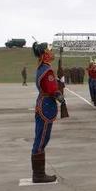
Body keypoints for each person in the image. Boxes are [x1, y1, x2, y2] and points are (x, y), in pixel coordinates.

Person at [31, 42, 65, 183]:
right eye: (49, 51)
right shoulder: (47, 70)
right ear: (44, 54)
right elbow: (51, 89)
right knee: (42, 138)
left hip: (42, 103)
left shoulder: (42, 68)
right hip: (46, 105)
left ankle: (39, 173)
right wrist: (59, 95)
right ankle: (39, 175)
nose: (51, 53)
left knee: (41, 137)